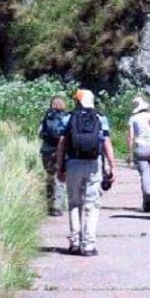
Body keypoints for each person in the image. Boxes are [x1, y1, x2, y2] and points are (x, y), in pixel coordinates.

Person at [57, 89, 116, 256]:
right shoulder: (100, 118)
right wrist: (112, 166)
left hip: (73, 163)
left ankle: (75, 243)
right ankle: (89, 245)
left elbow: (62, 144)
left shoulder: (68, 118)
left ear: (77, 101)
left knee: (75, 203)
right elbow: (106, 143)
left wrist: (60, 167)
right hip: (93, 164)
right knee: (92, 204)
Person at [127, 96, 150, 212]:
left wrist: (129, 154)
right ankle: (148, 198)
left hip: (141, 148)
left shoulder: (133, 118)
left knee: (144, 174)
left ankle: (147, 195)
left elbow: (130, 137)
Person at [37, 96, 69, 216]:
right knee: (59, 177)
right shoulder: (66, 117)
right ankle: (57, 206)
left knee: (50, 176)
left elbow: (40, 133)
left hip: (46, 151)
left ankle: (49, 205)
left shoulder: (46, 117)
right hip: (60, 151)